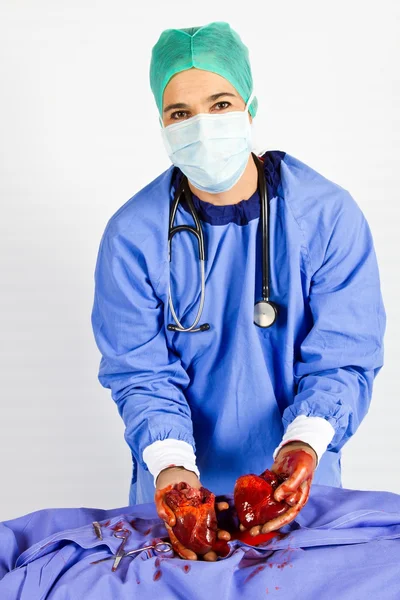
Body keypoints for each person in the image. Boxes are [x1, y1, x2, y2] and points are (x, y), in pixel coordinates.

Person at [91, 21, 386, 556]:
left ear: (251, 105)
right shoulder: (133, 236)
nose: (202, 126)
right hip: (174, 500)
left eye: (220, 103)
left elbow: (344, 357)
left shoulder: (325, 215)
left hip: (301, 491)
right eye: (180, 113)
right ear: (161, 122)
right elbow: (139, 374)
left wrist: (303, 446)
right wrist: (174, 472)